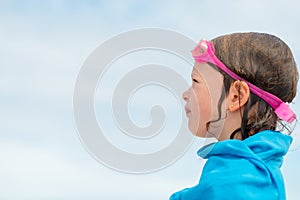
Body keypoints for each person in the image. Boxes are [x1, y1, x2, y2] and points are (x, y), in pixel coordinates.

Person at [169, 32, 298, 200]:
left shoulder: (236, 183)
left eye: (196, 82)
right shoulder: (254, 173)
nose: (186, 94)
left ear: (236, 96)